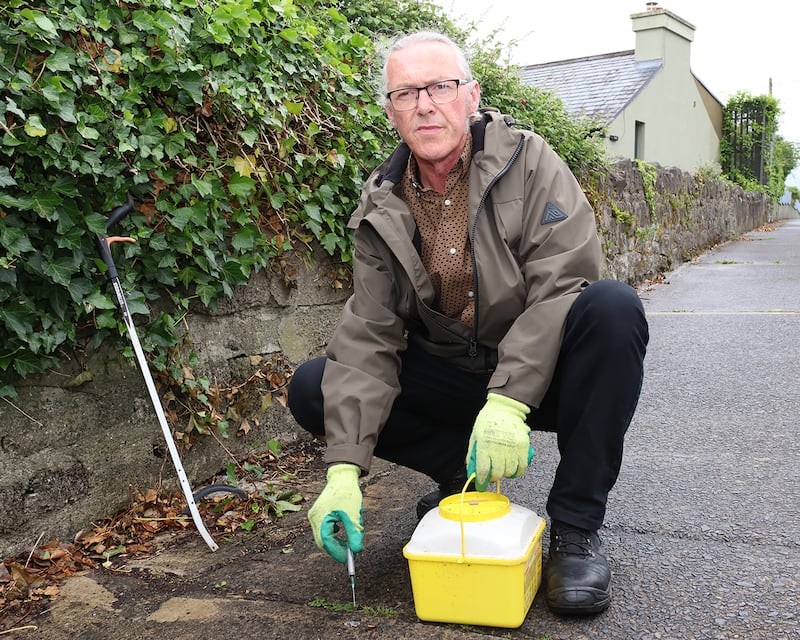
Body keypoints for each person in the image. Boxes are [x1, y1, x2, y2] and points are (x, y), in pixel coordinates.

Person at [287, 30, 649, 616]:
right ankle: (461, 480)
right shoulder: (381, 202)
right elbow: (370, 334)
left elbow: (564, 282)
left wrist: (508, 402)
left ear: (472, 95)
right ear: (390, 110)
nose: (424, 104)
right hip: (456, 376)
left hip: (540, 378)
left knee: (611, 309)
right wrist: (344, 470)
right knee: (314, 385)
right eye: (405, 93)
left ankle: (576, 528)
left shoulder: (531, 163)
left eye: (440, 87)